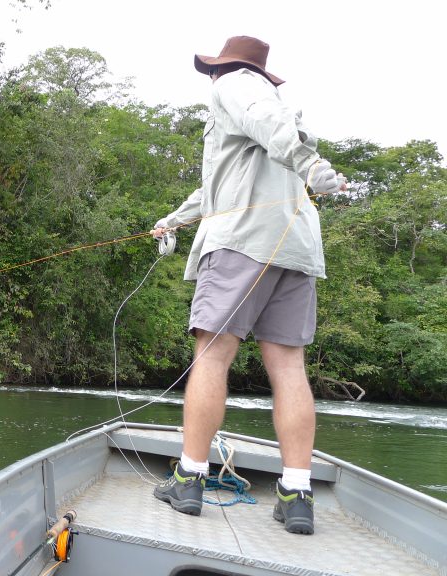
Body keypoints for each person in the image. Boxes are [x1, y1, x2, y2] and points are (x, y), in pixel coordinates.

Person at [149, 36, 347, 535]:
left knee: (212, 356)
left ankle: (189, 478)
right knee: (288, 367)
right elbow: (217, 185)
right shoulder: (273, 108)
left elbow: (268, 123)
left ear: (224, 68)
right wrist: (173, 220)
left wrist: (312, 166)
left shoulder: (238, 84)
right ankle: (296, 493)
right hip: (295, 252)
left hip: (240, 246)